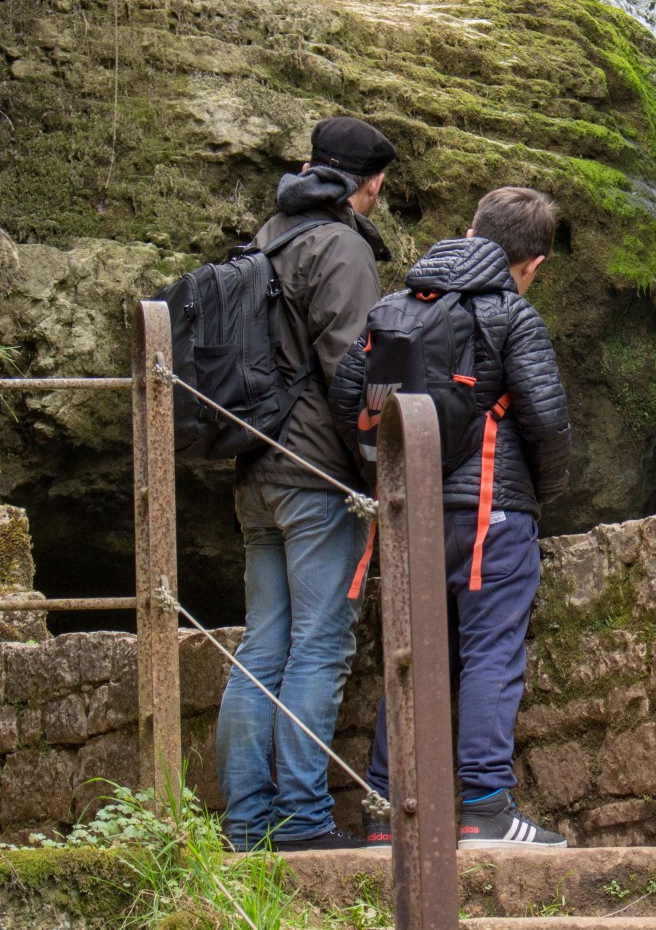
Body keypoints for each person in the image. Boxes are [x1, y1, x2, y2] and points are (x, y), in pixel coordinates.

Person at [330, 186, 572, 848]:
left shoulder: (398, 308)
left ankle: (386, 811)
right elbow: (547, 420)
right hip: (491, 510)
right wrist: (542, 492)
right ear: (533, 264)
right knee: (491, 649)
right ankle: (487, 809)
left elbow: (350, 399)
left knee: (411, 654)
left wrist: (381, 477)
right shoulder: (509, 316)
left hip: (412, 512)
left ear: (469, 230)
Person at [216, 115, 396, 852]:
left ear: (309, 165)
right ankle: (300, 819)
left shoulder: (269, 235)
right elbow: (360, 374)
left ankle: (245, 819)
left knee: (264, 643)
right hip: (317, 477)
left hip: (253, 468)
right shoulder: (343, 248)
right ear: (372, 184)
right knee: (321, 644)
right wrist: (382, 471)